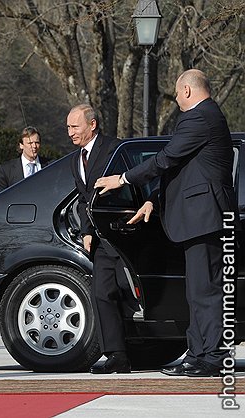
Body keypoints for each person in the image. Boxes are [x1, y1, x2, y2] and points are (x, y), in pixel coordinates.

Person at [95, 69, 237, 377]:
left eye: (176, 93)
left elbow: (167, 158)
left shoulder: (200, 117)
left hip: (205, 218)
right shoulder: (206, 118)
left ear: (187, 91)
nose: (176, 99)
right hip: (202, 218)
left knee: (206, 291)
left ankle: (213, 356)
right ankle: (199, 354)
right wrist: (153, 199)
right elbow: (183, 170)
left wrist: (124, 178)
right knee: (197, 291)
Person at [67, 104, 130, 374]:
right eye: (68, 127)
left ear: (92, 125)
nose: (70, 132)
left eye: (75, 126)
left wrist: (149, 203)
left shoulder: (114, 148)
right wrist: (87, 231)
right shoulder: (75, 159)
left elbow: (135, 180)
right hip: (101, 239)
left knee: (130, 293)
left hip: (127, 235)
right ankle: (117, 355)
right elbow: (84, 200)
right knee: (102, 293)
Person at [0, 126, 51, 195]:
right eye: (30, 143)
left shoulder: (50, 166)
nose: (34, 146)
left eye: (37, 142)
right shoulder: (6, 170)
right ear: (21, 145)